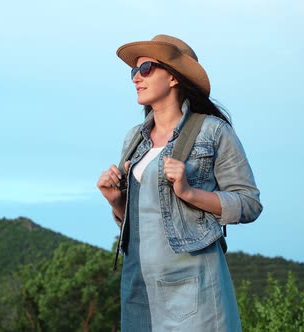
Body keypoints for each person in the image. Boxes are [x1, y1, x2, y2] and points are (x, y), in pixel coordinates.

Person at [96, 34, 262, 331]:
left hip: (193, 281)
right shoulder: (134, 139)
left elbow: (249, 203)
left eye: (145, 69)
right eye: (133, 72)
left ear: (173, 77)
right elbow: (137, 220)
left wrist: (188, 192)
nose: (136, 78)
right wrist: (115, 201)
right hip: (140, 280)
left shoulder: (213, 131)